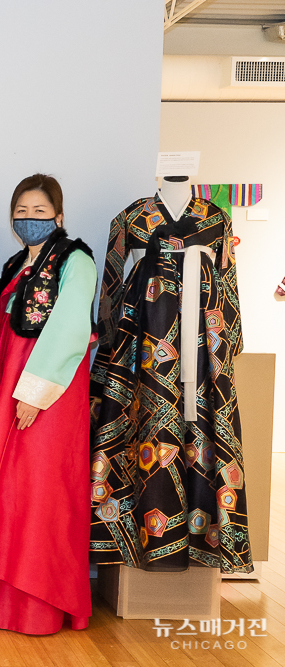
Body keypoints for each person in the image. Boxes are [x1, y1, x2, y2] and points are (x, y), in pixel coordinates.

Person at [0, 174, 95, 634]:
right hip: (5, 378)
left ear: (59, 216)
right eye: (22, 212)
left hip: (47, 389)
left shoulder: (75, 260)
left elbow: (70, 328)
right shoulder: (15, 264)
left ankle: (37, 605)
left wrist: (33, 393)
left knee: (39, 487)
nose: (30, 219)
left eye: (40, 211)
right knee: (0, 486)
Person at [88, 176, 252, 574]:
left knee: (203, 433)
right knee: (144, 430)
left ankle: (200, 539)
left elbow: (227, 284)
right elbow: (111, 285)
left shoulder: (216, 217)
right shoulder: (130, 217)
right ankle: (142, 540)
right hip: (142, 339)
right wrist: (109, 341)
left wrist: (227, 344)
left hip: (202, 344)